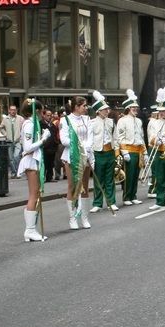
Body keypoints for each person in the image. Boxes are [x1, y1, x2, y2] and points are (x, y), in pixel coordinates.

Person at [17, 99, 50, 242]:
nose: (43, 115)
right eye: (42, 112)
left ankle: (31, 229)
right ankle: (30, 230)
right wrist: (43, 139)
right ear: (36, 111)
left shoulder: (33, 124)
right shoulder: (29, 125)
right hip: (31, 161)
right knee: (34, 194)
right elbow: (28, 147)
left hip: (35, 160)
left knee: (36, 194)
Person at [60, 96, 93, 230]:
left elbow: (90, 137)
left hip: (85, 155)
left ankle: (84, 217)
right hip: (71, 156)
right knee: (73, 186)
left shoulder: (87, 119)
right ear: (76, 107)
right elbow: (64, 139)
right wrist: (77, 146)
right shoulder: (65, 120)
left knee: (84, 186)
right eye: (84, 106)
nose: (86, 108)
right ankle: (73, 218)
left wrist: (85, 148)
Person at [89, 90, 119, 213]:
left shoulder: (111, 122)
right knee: (98, 179)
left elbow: (116, 138)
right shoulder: (92, 123)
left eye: (107, 109)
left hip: (109, 152)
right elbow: (90, 140)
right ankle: (97, 203)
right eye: (104, 109)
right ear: (98, 111)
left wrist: (117, 152)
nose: (107, 111)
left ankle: (111, 202)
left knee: (110, 179)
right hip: (98, 153)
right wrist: (91, 156)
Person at [117, 89, 148, 206]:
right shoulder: (122, 120)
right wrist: (124, 152)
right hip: (128, 151)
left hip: (138, 150)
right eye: (133, 108)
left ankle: (133, 195)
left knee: (135, 175)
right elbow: (120, 137)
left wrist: (145, 153)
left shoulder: (139, 121)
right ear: (128, 109)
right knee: (128, 176)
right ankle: (126, 197)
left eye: (136, 108)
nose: (135, 109)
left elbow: (141, 137)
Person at [0, 104, 25, 178]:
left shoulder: (20, 118)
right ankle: (14, 172)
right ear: (9, 111)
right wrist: (6, 134)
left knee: (16, 156)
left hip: (18, 140)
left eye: (14, 110)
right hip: (9, 141)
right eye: (11, 110)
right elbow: (1, 127)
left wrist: (21, 137)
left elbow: (24, 129)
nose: (13, 111)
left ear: (16, 110)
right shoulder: (5, 119)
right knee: (10, 158)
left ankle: (18, 172)